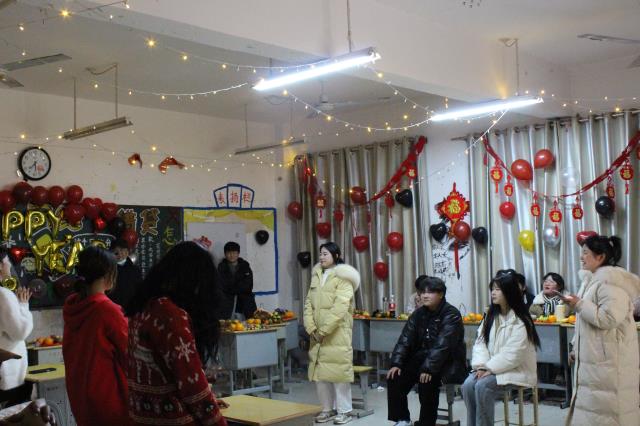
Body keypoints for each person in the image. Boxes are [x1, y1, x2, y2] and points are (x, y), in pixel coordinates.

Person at [125, 241, 228, 426]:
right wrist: (213, 414)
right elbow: (192, 386)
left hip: (141, 416)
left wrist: (209, 401)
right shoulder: (171, 316)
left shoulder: (143, 306)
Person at [561, 235, 640, 426]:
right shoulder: (593, 281)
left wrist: (579, 304)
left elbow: (609, 318)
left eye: (585, 253)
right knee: (595, 413)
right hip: (597, 361)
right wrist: (576, 348)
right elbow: (587, 323)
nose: (581, 257)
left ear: (600, 257)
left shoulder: (610, 282)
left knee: (609, 414)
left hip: (608, 363)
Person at [462, 272, 540, 426]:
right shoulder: (490, 316)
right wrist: (481, 366)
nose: (493, 292)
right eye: (492, 289)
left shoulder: (521, 320)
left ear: (509, 292)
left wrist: (489, 368)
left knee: (482, 386)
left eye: (498, 289)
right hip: (492, 368)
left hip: (518, 370)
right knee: (468, 385)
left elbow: (514, 353)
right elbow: (480, 343)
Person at [62, 246, 129, 426]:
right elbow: (131, 354)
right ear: (108, 275)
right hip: (110, 399)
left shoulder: (72, 306)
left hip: (80, 399)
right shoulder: (107, 310)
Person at [386, 276, 466, 426]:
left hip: (447, 362)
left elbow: (443, 346)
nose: (425, 295)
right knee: (394, 376)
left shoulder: (451, 314)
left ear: (441, 294)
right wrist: (396, 363)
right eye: (422, 292)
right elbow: (405, 340)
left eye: (430, 292)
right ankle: (402, 419)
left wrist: (428, 368)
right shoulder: (418, 314)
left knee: (427, 381)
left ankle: (426, 422)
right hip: (423, 360)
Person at [303, 242, 359, 425]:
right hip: (317, 334)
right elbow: (308, 304)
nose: (321, 257)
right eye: (320, 254)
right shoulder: (316, 275)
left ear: (336, 256)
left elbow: (340, 307)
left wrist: (324, 330)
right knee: (320, 373)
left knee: (339, 372)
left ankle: (344, 411)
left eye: (325, 254)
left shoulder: (344, 277)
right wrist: (311, 328)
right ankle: (327, 409)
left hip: (337, 332)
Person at [0, 248, 33, 407]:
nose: (10, 267)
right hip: (7, 374)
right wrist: (23, 305)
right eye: (8, 262)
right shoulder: (4, 294)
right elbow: (20, 332)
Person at [218, 242, 256, 320]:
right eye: (229, 253)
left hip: (246, 303)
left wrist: (232, 288)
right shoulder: (221, 268)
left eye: (234, 253)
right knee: (228, 325)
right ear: (225, 254)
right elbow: (221, 285)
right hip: (226, 304)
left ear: (238, 254)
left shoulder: (245, 267)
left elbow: (248, 285)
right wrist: (237, 288)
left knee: (250, 324)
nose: (231, 255)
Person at [108, 239, 142, 309]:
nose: (120, 254)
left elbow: (140, 289)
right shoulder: (108, 270)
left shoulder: (135, 270)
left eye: (122, 250)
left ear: (127, 252)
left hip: (131, 308)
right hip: (113, 308)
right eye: (116, 252)